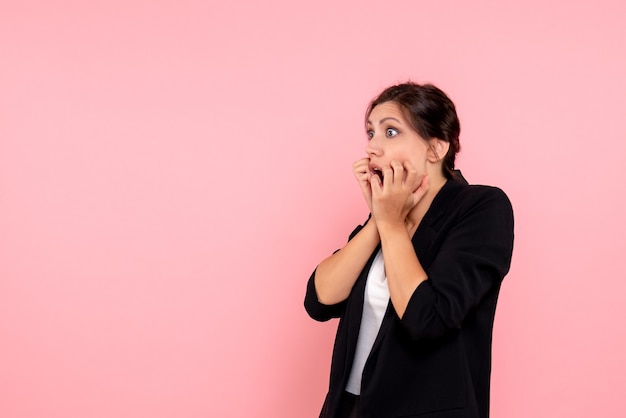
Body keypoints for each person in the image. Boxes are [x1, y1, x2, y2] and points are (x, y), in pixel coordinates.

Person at [304, 82, 514, 418]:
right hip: (349, 408)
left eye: (390, 132)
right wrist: (378, 219)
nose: (372, 146)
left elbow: (427, 318)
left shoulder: (481, 207)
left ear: (436, 148)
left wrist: (389, 223)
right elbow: (319, 300)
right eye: (370, 132)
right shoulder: (384, 217)